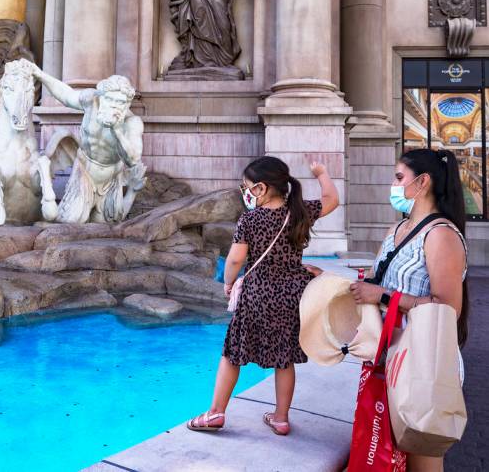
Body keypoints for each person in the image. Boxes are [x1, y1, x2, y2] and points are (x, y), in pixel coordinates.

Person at [187, 156, 339, 435]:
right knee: (284, 357)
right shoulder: (300, 212)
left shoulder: (251, 219)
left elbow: (234, 260)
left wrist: (229, 283)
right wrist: (321, 173)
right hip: (293, 292)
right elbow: (331, 199)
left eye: (246, 187)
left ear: (261, 188)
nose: (244, 192)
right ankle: (281, 418)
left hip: (257, 292)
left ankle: (216, 413)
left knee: (232, 353)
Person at [349, 148, 468, 472]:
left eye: (399, 177)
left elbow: (447, 307)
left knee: (422, 458)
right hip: (390, 355)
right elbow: (376, 282)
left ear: (423, 182)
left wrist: (383, 295)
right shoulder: (397, 230)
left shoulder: (440, 235)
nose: (394, 185)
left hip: (424, 360)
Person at [26, 61, 146, 223]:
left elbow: (133, 160)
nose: (114, 106)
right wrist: (40, 75)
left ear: (127, 104)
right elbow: (66, 94)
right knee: (70, 222)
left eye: (120, 103)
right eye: (110, 100)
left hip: (110, 179)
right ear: (101, 97)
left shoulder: (132, 123)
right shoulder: (91, 100)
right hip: (85, 172)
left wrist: (117, 130)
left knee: (108, 226)